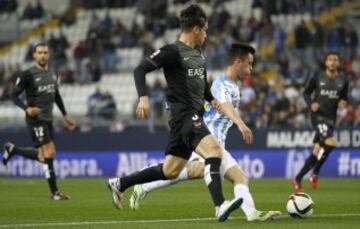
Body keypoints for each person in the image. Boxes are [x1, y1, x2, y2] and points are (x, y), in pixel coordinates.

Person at [107, 4, 242, 222]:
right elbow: (140, 69)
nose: (206, 34)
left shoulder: (198, 53)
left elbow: (202, 84)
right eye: (205, 30)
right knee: (214, 151)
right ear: (197, 28)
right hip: (185, 115)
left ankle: (120, 183)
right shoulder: (172, 51)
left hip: (188, 118)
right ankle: (220, 205)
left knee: (170, 170)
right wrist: (143, 97)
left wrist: (212, 100)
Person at [129, 43, 282, 221]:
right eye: (249, 63)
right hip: (205, 138)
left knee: (235, 176)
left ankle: (252, 214)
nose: (251, 68)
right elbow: (224, 104)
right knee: (193, 170)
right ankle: (144, 187)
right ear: (238, 62)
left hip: (215, 141)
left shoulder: (232, 85)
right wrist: (241, 124)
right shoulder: (223, 84)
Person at [2, 43, 77, 200]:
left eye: (45, 52)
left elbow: (56, 95)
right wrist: (26, 108)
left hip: (48, 119)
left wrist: (65, 115)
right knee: (50, 152)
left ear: (48, 55)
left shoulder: (53, 73)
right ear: (34, 55)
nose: (43, 55)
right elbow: (13, 95)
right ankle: (55, 193)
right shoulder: (27, 74)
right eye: (39, 52)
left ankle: (12, 150)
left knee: (44, 157)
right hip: (35, 119)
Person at [292, 52, 348, 191]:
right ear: (326, 63)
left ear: (338, 63)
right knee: (331, 143)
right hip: (318, 117)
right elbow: (306, 93)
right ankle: (315, 173)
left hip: (331, 119)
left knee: (316, 151)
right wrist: (311, 103)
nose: (333, 62)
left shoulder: (343, 80)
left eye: (336, 59)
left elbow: (344, 98)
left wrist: (343, 102)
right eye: (330, 59)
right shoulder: (318, 77)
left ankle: (298, 178)